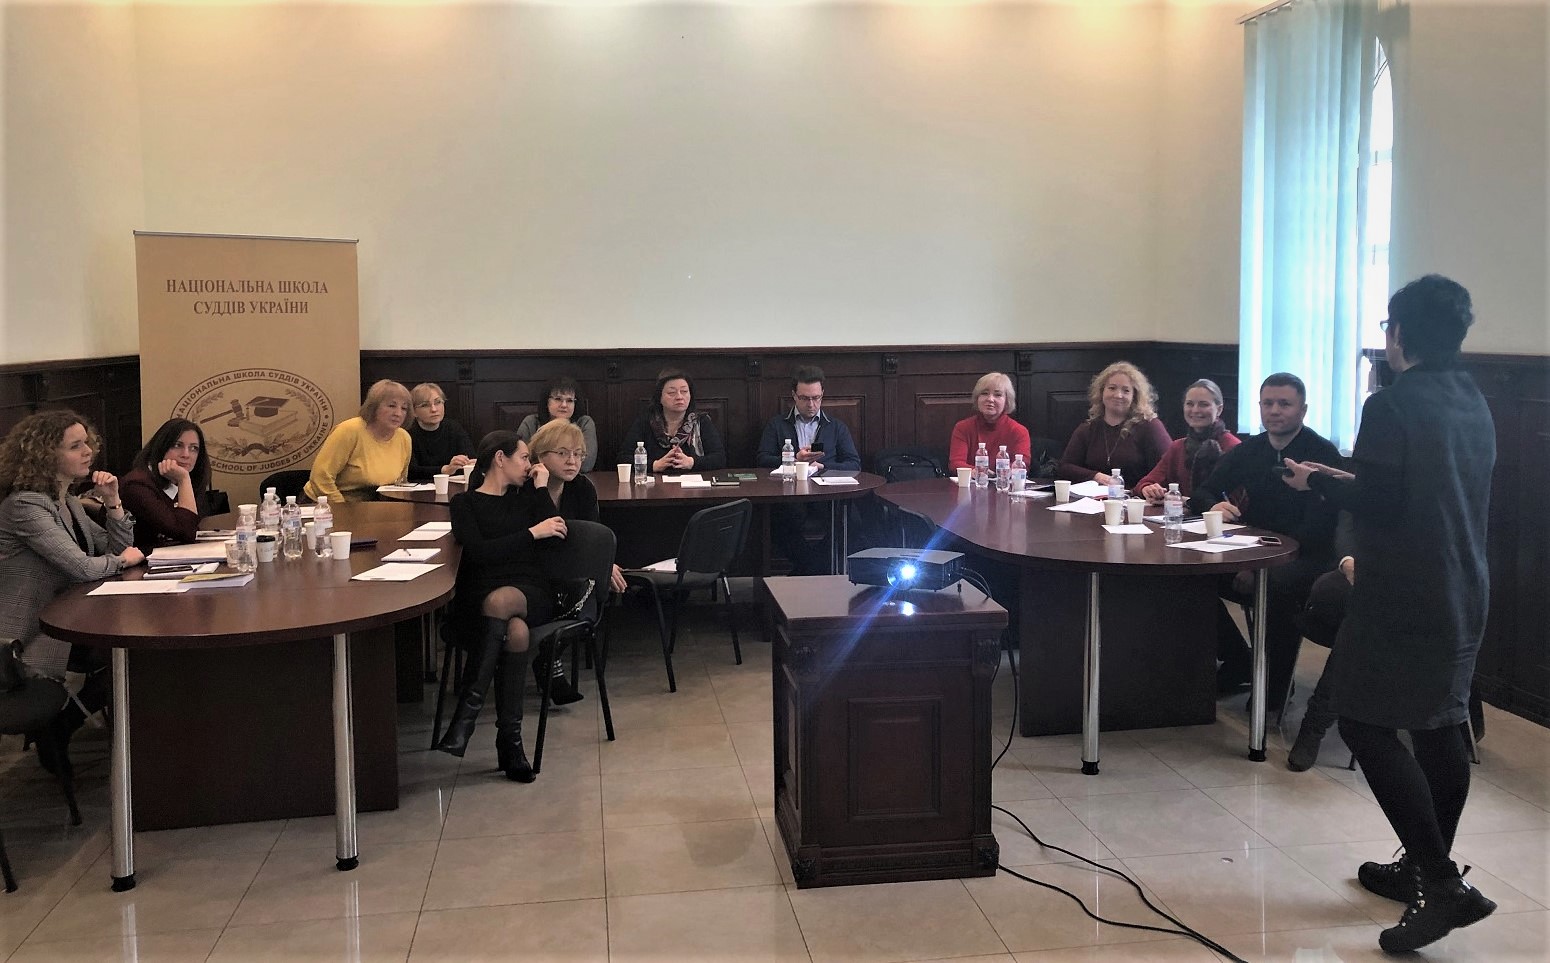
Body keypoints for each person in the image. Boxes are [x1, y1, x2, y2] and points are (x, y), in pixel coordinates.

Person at [1283, 275, 1496, 952]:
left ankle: (1438, 880)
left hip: (1404, 590)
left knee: (1363, 721)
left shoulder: (1392, 403)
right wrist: (1337, 478)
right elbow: (1419, 489)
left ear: (1398, 332)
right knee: (1440, 725)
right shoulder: (1474, 398)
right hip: (1463, 584)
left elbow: (1380, 500)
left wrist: (1317, 481)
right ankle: (1423, 870)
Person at [0, 411, 144, 771]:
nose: (88, 451)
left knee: (131, 654)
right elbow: (83, 566)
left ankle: (65, 725)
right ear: (45, 454)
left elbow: (111, 549)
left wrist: (113, 503)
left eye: (87, 442)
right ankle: (62, 726)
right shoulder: (24, 505)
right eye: (75, 446)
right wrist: (122, 560)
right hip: (28, 634)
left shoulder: (66, 501)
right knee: (129, 656)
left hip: (66, 617)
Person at [1189, 372, 1341, 709]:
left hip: (1307, 556)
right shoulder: (1251, 450)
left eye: (1284, 404)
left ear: (1303, 410)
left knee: (1276, 586)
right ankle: (1239, 660)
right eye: (1267, 403)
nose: (1274, 411)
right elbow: (1203, 491)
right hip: (1251, 548)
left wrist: (1258, 564)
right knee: (1192, 578)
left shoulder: (1321, 452)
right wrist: (1213, 506)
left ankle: (1274, 688)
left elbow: (1318, 528)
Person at [435, 431, 566, 782]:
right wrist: (530, 534)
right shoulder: (464, 504)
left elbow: (555, 537)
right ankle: (510, 743)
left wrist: (541, 488)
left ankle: (466, 717)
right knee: (516, 631)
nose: (529, 465)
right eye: (523, 458)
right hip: (478, 595)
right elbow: (478, 553)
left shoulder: (528, 497)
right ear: (499, 459)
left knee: (503, 601)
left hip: (529, 590)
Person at [524, 419, 626, 703]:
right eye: (562, 453)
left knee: (589, 589)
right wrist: (541, 489)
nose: (572, 461)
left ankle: (550, 658)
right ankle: (550, 662)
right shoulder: (524, 488)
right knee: (575, 589)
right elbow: (547, 538)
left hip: (572, 570)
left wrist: (605, 563)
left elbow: (591, 536)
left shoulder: (582, 488)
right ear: (540, 456)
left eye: (578, 454)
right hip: (532, 572)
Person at [756, 366, 863, 574]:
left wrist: (824, 467)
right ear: (794, 396)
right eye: (805, 398)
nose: (811, 404)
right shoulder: (777, 425)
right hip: (789, 494)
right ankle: (813, 568)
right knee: (777, 523)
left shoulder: (835, 427)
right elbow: (762, 460)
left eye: (816, 398)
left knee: (852, 522)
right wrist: (794, 460)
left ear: (822, 394)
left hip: (826, 494)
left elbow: (854, 464)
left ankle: (807, 569)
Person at [1057, 361, 1171, 487]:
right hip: (1093, 497)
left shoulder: (1150, 427)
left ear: (1135, 396)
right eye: (1112, 388)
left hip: (1136, 497)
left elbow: (1169, 468)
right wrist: (1095, 476)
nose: (1118, 395)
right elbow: (1065, 468)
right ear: (1101, 392)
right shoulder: (1088, 429)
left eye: (1126, 390)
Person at [305, 379, 413, 503]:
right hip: (331, 503)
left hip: (377, 505)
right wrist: (342, 507)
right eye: (391, 406)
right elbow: (321, 477)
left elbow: (400, 483)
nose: (398, 413)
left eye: (404, 408)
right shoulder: (349, 430)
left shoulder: (404, 438)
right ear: (373, 407)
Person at [1136, 379, 1241, 501]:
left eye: (1203, 404)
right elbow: (1145, 483)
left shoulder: (1234, 448)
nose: (1195, 410)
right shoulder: (1177, 447)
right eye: (1190, 404)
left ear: (1219, 409)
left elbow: (1238, 500)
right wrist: (1149, 489)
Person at [120, 418, 212, 553]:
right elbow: (186, 532)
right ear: (161, 447)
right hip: (139, 563)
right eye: (177, 445)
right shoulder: (137, 485)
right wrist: (184, 480)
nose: (186, 455)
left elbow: (190, 530)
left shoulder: (180, 480)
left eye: (194, 448)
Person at [615, 369, 726, 473]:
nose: (679, 397)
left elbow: (719, 459)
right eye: (672, 393)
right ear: (660, 397)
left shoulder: (701, 422)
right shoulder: (645, 422)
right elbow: (623, 458)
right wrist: (654, 465)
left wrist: (691, 462)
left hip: (692, 485)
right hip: (655, 484)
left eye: (684, 391)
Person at [947, 372, 1032, 472]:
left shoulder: (1019, 431)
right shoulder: (962, 427)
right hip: (972, 480)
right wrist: (978, 472)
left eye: (998, 395)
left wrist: (998, 475)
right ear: (977, 398)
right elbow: (955, 463)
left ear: (1007, 401)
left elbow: (1022, 464)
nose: (990, 399)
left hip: (1006, 481)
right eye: (984, 393)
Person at [516, 376, 599, 473]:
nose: (564, 405)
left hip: (575, 479)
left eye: (569, 400)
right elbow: (520, 460)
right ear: (547, 402)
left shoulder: (584, 423)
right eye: (558, 399)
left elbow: (587, 464)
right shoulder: (531, 423)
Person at [406, 382, 476, 481]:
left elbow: (471, 458)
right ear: (413, 412)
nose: (434, 409)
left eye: (438, 402)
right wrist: (445, 470)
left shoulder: (454, 428)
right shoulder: (407, 434)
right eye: (425, 405)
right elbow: (411, 471)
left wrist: (467, 463)